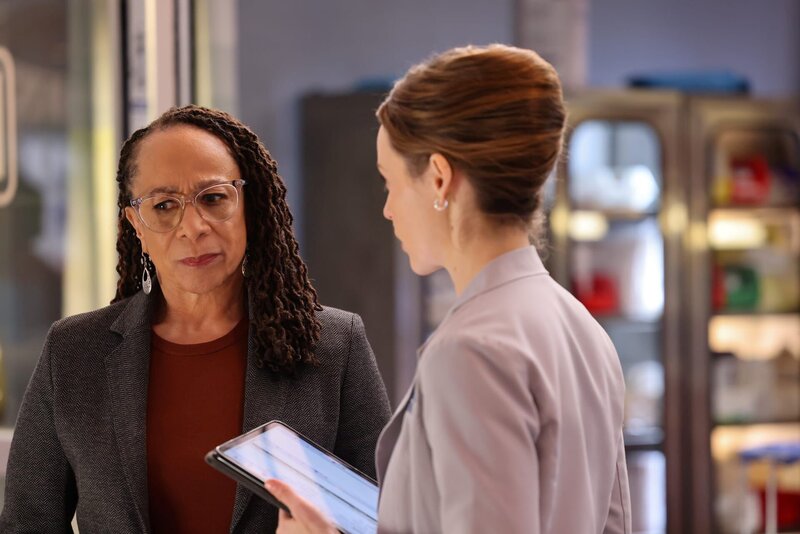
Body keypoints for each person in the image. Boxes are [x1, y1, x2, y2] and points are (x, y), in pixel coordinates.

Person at [267, 44, 632, 533]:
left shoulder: (471, 351)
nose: (388, 209)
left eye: (389, 183)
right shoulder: (581, 327)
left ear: (439, 179)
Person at [0, 105, 392, 533]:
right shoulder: (74, 351)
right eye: (165, 205)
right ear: (137, 225)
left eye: (213, 198)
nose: (193, 226)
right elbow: (27, 523)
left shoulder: (334, 344)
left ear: (249, 207)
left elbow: (387, 518)